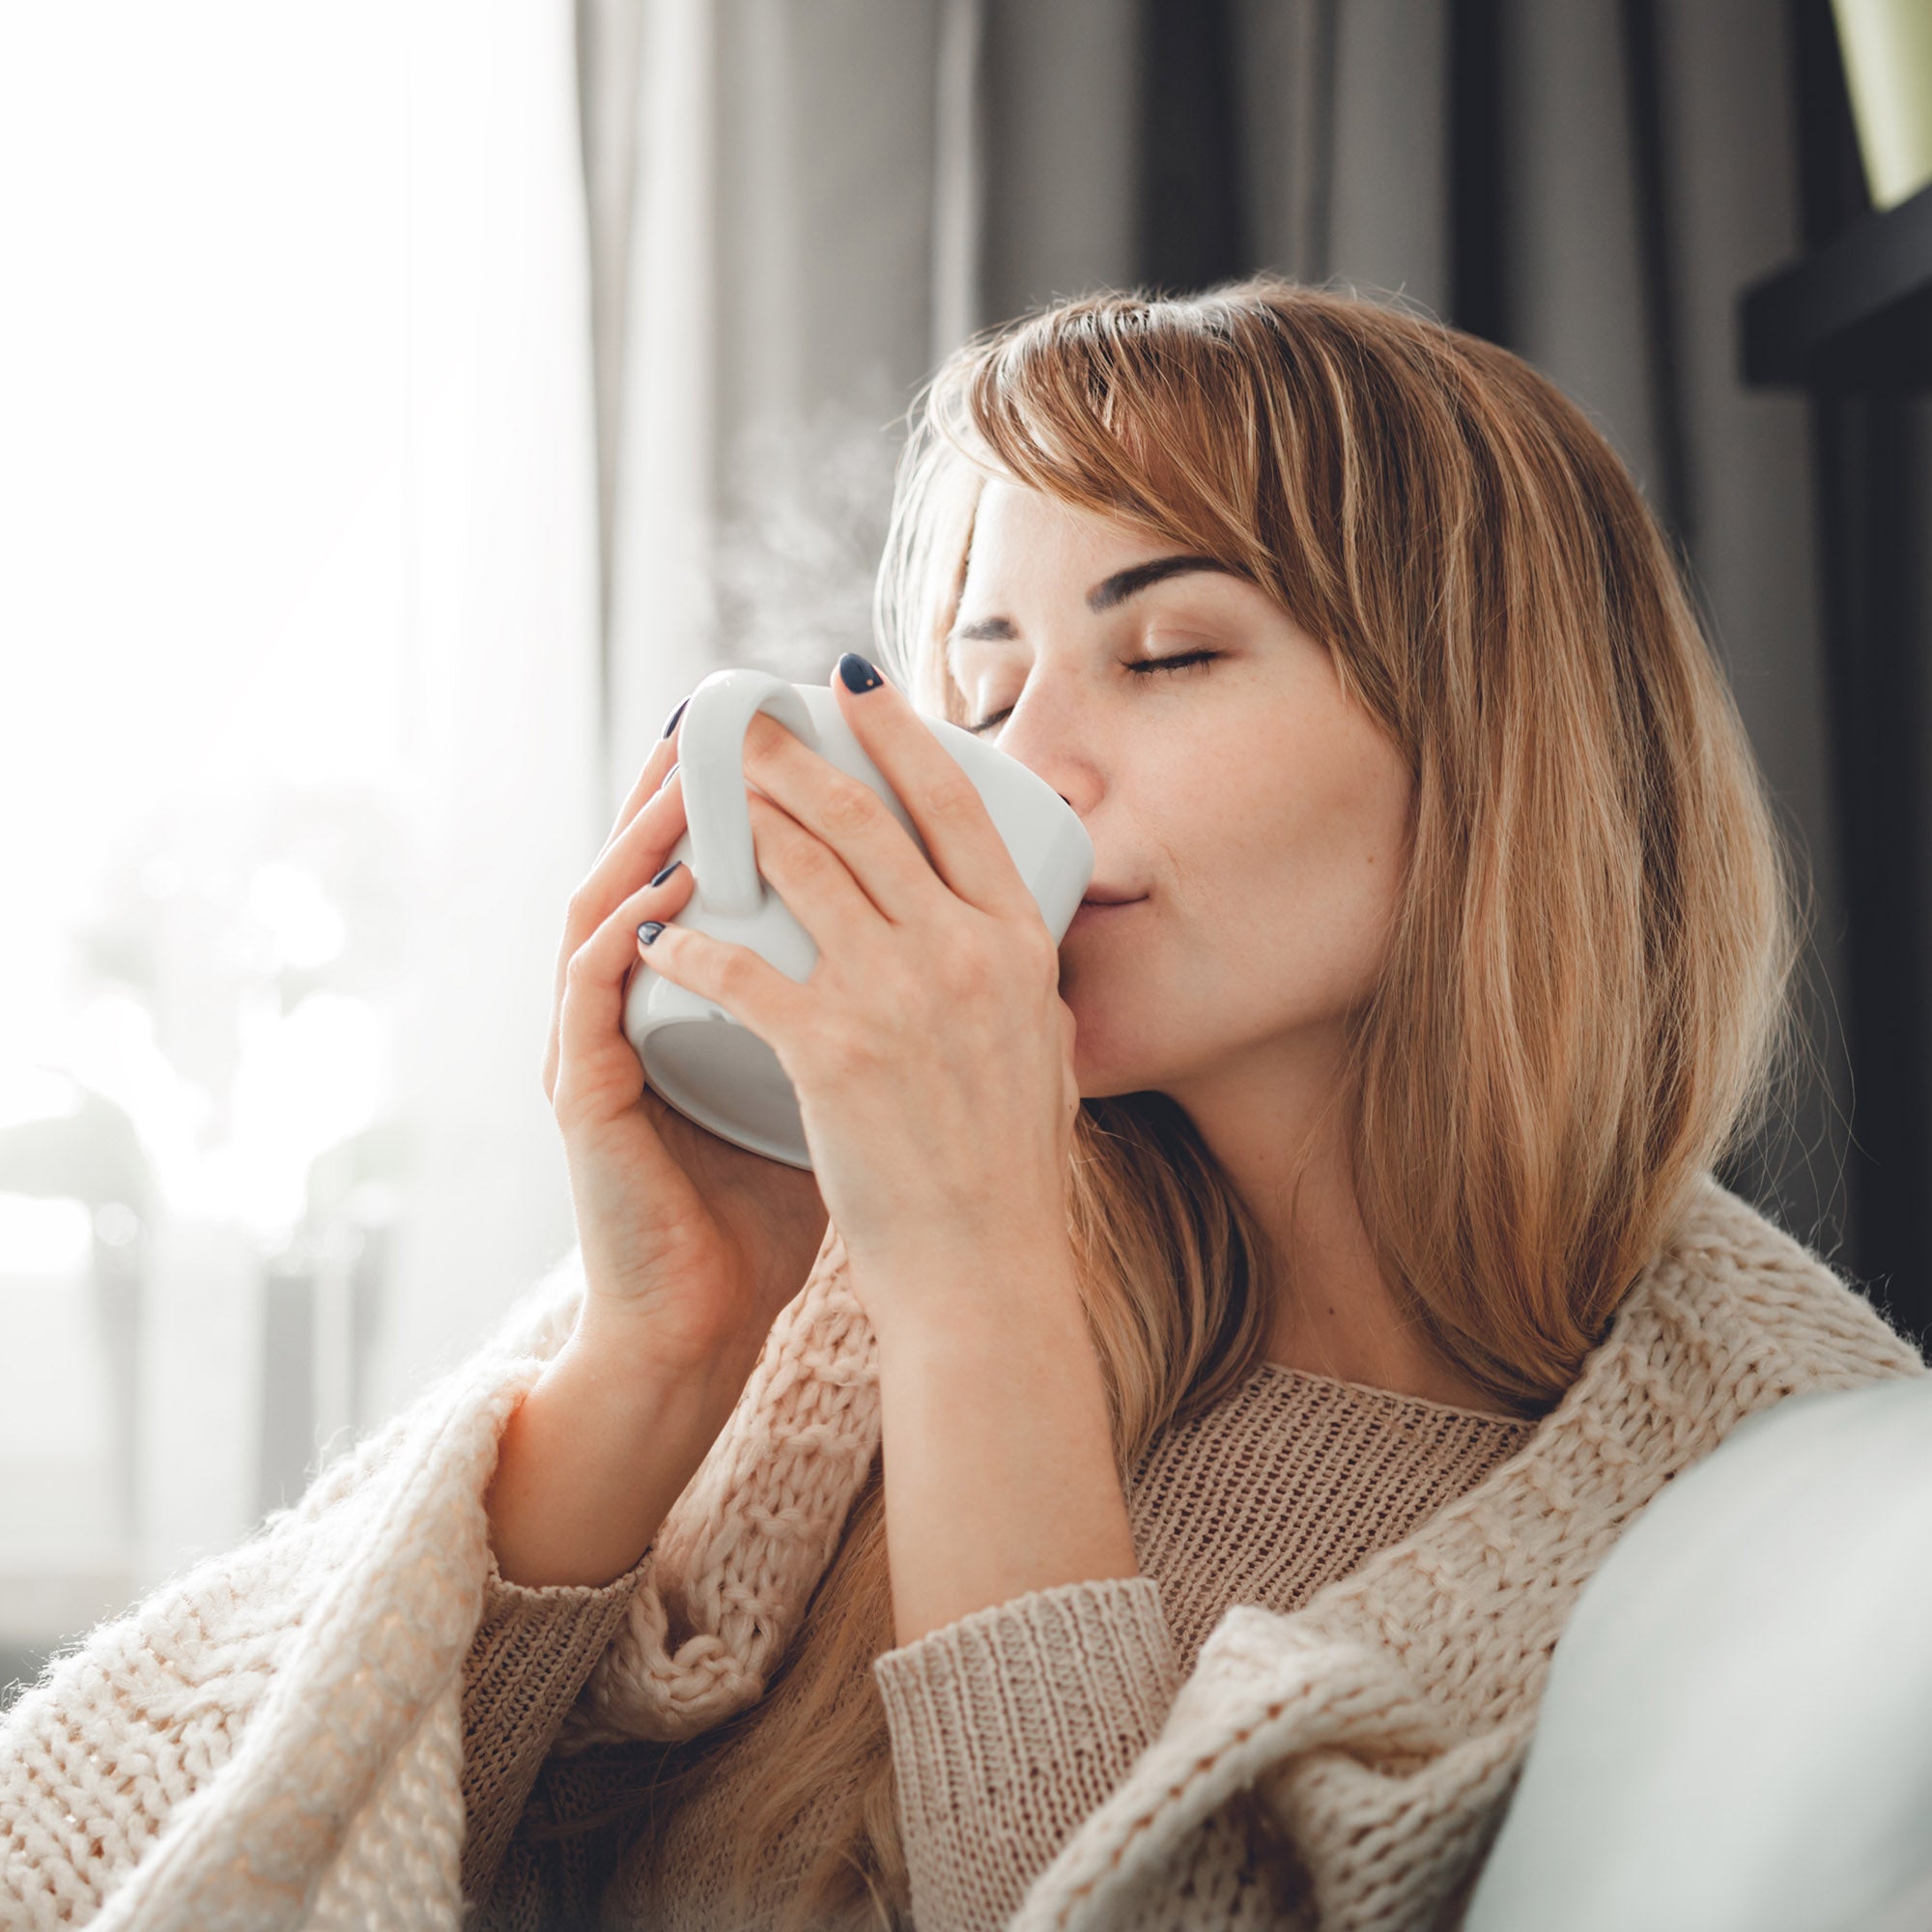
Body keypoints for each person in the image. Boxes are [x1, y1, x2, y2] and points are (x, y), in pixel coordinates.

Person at [3, 278, 1923, 1932]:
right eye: (973, 691)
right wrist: (660, 1340)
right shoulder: (836, 1270)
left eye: (1165, 652)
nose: (1022, 766)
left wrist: (971, 1262)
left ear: (1496, 748)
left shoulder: (1744, 1500)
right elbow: (250, 1841)